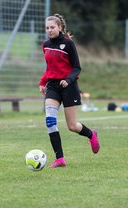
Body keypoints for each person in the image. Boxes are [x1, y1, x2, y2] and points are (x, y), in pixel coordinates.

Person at [38, 14, 100, 168]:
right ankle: (60, 159)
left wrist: (69, 79)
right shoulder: (45, 44)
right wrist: (42, 82)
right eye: (47, 28)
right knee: (50, 121)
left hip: (68, 87)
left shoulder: (68, 44)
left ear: (60, 27)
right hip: (52, 86)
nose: (49, 30)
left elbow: (77, 67)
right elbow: (50, 68)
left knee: (72, 126)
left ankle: (91, 134)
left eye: (52, 27)